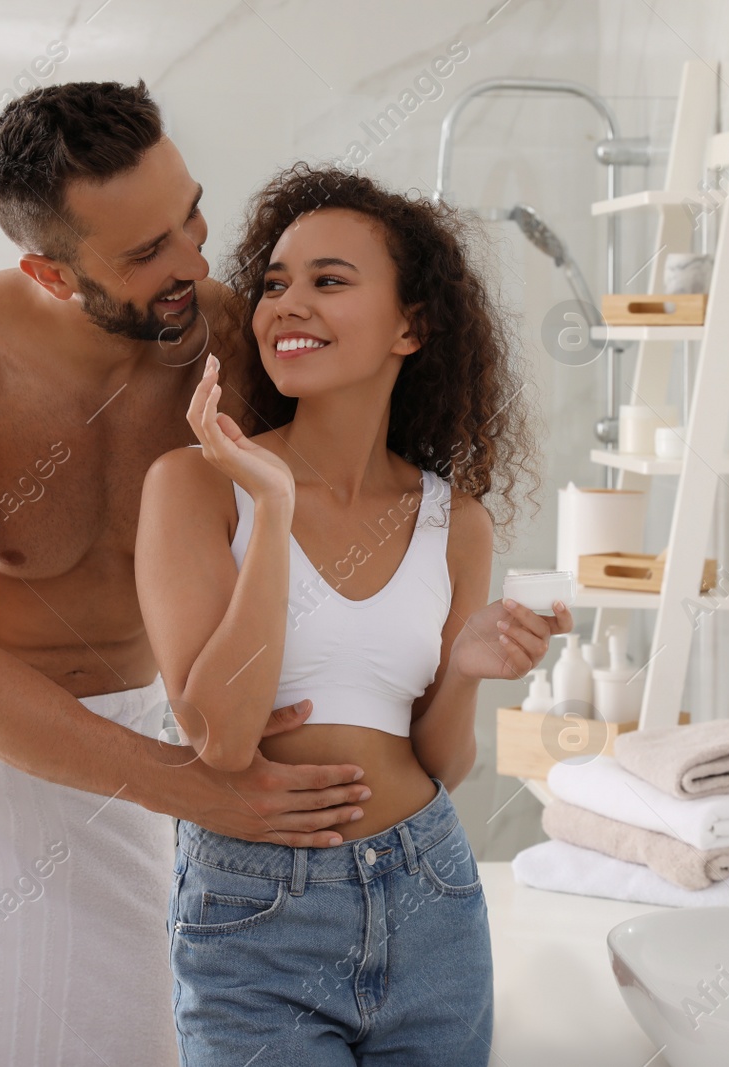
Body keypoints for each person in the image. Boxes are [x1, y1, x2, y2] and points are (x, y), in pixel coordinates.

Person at [0, 82, 373, 1066]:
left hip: (124, 729)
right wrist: (197, 788)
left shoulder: (234, 349)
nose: (194, 263)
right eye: (143, 254)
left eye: (190, 216)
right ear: (49, 271)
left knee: (135, 1036)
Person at [136, 163, 571, 1065]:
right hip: (258, 914)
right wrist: (276, 506)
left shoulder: (459, 522)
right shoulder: (194, 486)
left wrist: (462, 669)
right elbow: (220, 733)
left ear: (410, 326)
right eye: (274, 284)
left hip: (430, 896)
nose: (286, 305)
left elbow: (445, 762)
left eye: (329, 282)